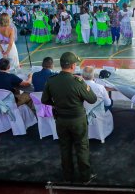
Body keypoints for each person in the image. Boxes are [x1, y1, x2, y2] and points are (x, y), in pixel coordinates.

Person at [42, 52, 97, 184]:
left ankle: (68, 176)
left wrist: (57, 105)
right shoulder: (78, 82)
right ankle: (85, 177)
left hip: (60, 120)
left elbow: (45, 100)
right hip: (78, 120)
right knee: (82, 146)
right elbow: (92, 99)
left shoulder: (51, 80)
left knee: (65, 147)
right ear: (73, 66)